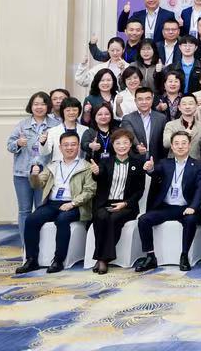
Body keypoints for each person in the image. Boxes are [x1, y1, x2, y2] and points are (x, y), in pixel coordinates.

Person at [16, 131, 96, 274]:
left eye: (73, 144)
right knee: (31, 219)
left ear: (78, 146)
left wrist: (72, 203)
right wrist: (34, 175)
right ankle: (31, 260)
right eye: (66, 145)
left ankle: (58, 260)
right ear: (60, 147)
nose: (69, 148)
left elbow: (89, 191)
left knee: (62, 219)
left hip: (76, 205)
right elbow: (37, 184)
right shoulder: (52, 166)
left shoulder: (86, 166)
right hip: (52, 203)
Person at [134, 131, 201, 272]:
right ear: (172, 147)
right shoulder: (164, 163)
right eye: (176, 143)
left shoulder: (198, 166)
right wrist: (150, 169)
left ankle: (184, 256)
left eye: (184, 143)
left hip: (186, 208)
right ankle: (150, 256)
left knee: (191, 220)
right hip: (166, 208)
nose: (180, 146)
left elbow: (200, 189)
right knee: (143, 220)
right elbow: (155, 172)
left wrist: (193, 207)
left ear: (189, 145)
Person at [88, 128, 147, 274]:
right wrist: (96, 173)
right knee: (101, 217)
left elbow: (139, 190)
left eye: (125, 143)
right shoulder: (105, 161)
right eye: (118, 143)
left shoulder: (138, 163)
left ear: (130, 144)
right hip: (105, 202)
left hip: (126, 204)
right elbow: (99, 177)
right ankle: (103, 258)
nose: (122, 146)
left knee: (114, 219)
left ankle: (102, 259)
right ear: (113, 145)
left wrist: (125, 203)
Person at [121, 87, 168, 160]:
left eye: (148, 99)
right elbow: (130, 134)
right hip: (135, 159)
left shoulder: (161, 118)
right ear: (135, 101)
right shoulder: (128, 118)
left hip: (157, 159)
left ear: (152, 100)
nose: (144, 102)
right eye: (140, 99)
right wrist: (137, 145)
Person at [162, 94, 201, 160]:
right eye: (184, 104)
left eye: (190, 104)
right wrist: (183, 133)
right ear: (179, 107)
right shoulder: (171, 125)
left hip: (195, 163)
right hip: (175, 163)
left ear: (196, 106)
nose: (187, 107)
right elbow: (166, 144)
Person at [42, 97, 84, 163]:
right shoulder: (53, 131)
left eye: (74, 110)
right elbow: (45, 152)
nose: (71, 112)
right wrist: (43, 143)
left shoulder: (85, 130)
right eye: (68, 110)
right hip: (58, 166)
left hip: (79, 166)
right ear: (62, 111)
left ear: (79, 111)